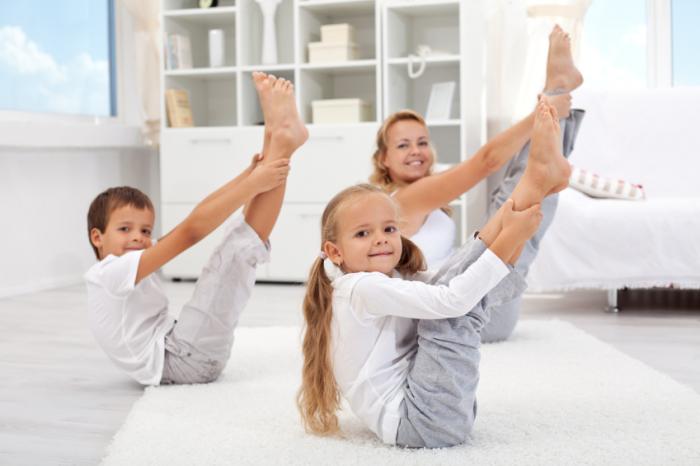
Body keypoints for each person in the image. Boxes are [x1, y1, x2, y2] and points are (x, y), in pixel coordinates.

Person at [298, 98, 570, 447]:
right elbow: (453, 302)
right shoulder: (360, 288)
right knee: (451, 309)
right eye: (363, 234)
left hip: (435, 411)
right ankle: (534, 185)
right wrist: (511, 236)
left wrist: (504, 225)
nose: (381, 240)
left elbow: (446, 282)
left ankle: (534, 185)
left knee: (448, 286)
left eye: (389, 230)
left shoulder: (377, 278)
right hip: (424, 423)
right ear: (335, 251)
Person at [84, 72, 308, 385]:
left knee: (236, 240)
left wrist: (251, 174)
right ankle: (283, 145)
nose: (139, 237)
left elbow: (197, 214)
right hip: (182, 361)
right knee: (235, 252)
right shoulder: (112, 272)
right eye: (125, 229)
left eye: (146, 231)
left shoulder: (123, 265)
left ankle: (275, 134)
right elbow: (191, 230)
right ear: (98, 237)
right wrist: (254, 181)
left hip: (182, 348)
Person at [369, 25, 584, 342]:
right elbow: (486, 161)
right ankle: (555, 91)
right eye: (402, 146)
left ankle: (556, 93)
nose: (415, 151)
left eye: (422, 142)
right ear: (384, 159)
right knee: (518, 204)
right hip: (468, 316)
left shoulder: (422, 193)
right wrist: (544, 110)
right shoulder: (401, 199)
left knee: (513, 192)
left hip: (470, 303)